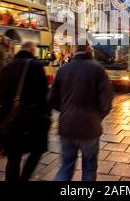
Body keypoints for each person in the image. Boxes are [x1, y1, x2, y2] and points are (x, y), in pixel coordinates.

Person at [48, 44, 113, 181]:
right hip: (90, 127)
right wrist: (97, 116)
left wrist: (65, 110)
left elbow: (52, 98)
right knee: (89, 168)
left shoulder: (63, 69)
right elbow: (107, 101)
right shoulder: (98, 69)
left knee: (66, 166)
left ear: (75, 51)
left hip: (67, 127)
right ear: (89, 50)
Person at [0, 41, 51, 181]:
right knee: (37, 149)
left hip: (9, 120)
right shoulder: (36, 67)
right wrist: (46, 116)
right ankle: (24, 178)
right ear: (32, 51)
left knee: (13, 159)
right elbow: (42, 96)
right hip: (30, 121)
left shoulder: (6, 67)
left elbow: (0, 96)